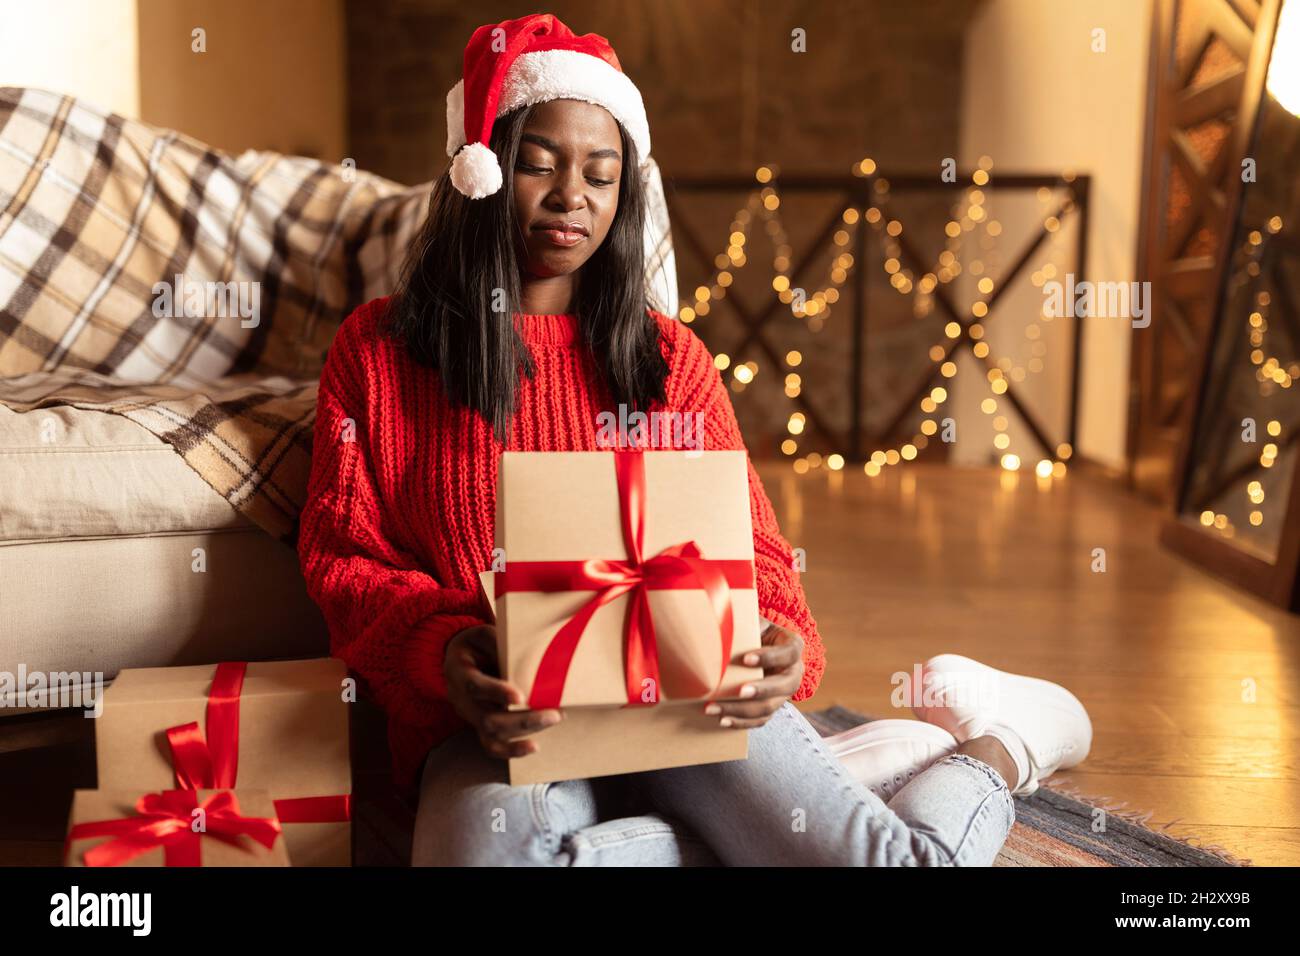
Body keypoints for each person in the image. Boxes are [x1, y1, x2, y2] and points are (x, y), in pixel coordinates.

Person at [296, 13, 1092, 866]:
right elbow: (343, 559)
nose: (574, 197)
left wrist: (783, 638)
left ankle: (1007, 744)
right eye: (539, 165)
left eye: (602, 176)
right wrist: (443, 652)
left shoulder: (671, 359)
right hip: (496, 728)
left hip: (686, 707)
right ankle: (799, 808)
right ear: (480, 172)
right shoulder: (381, 352)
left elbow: (757, 554)